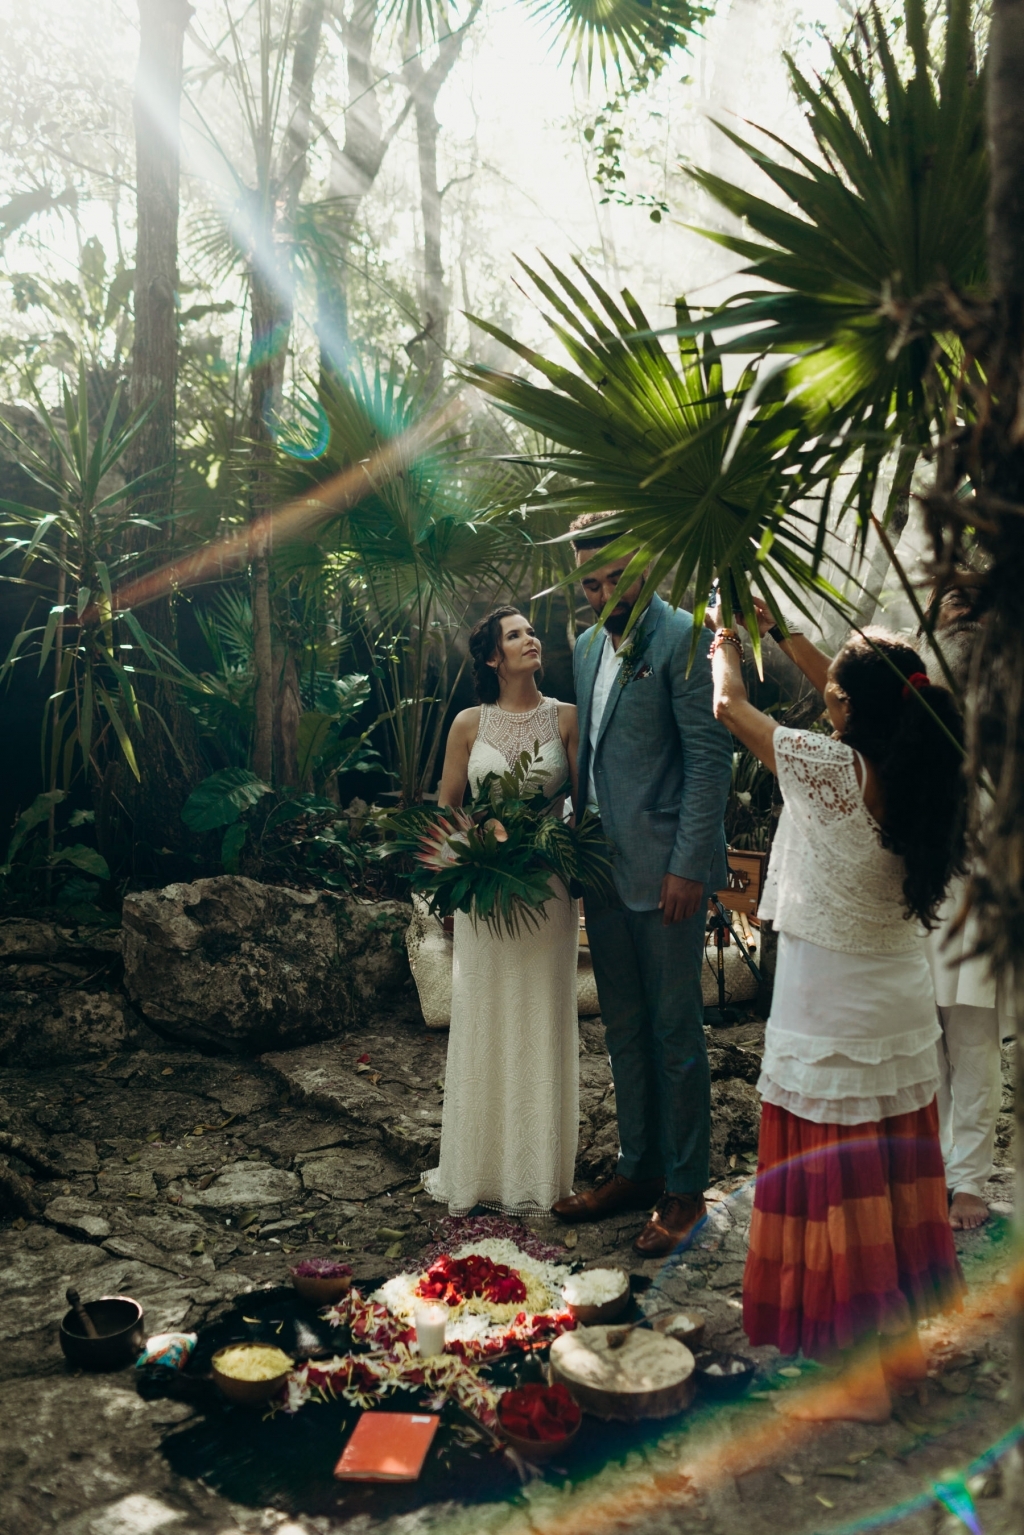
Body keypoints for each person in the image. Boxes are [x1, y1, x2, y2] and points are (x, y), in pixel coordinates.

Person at [711, 601, 966, 1422]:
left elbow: (729, 707)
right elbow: (855, 691)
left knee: (838, 1180)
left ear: (848, 710)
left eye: (835, 696)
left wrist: (725, 642)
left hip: (833, 1010)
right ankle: (895, 1351)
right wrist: (778, 627)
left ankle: (858, 1379)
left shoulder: (830, 769)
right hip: (895, 1004)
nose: (825, 700)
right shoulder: (922, 755)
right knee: (885, 1182)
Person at [551, 514, 734, 1256]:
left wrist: (691, 864)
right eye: (589, 583)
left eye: (612, 578)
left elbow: (708, 762)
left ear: (644, 565)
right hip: (604, 872)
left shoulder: (685, 637)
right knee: (623, 1029)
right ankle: (637, 1168)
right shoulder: (588, 645)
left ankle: (686, 1189)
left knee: (675, 1031)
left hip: (667, 877)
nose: (601, 594)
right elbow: (592, 759)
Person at [422, 607, 581, 1215]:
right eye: (515, 635)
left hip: (546, 894)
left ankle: (536, 1176)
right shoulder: (468, 723)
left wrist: (546, 839)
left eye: (532, 631)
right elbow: (446, 809)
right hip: (485, 895)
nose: (531, 639)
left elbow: (580, 807)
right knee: (483, 1017)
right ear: (493, 657)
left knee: (541, 1018)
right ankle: (477, 1170)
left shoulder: (565, 718)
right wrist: (459, 870)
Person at [923, 590, 1011, 1231]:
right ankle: (931, 1170)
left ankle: (970, 1181)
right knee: (920, 1043)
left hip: (985, 892)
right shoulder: (910, 691)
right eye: (952, 601)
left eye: (978, 602)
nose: (966, 613)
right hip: (916, 893)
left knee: (973, 1044)